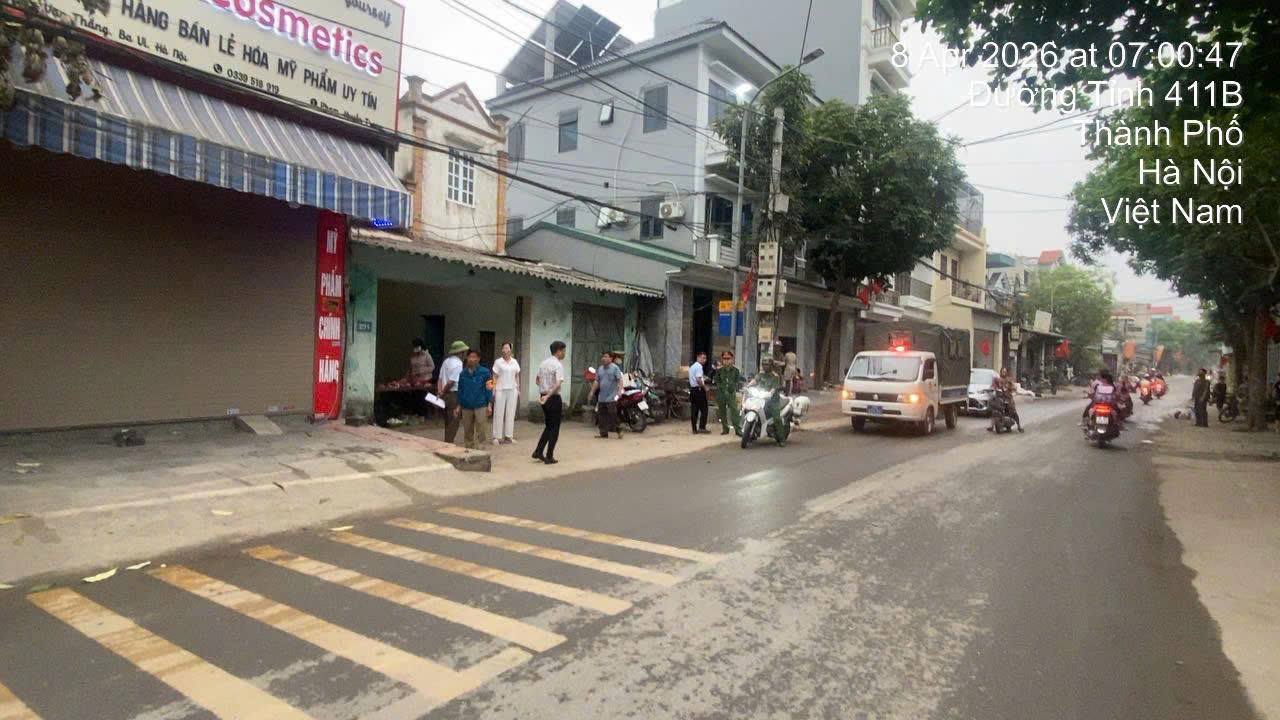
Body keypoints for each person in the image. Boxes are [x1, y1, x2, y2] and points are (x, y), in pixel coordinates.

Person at [532, 341, 567, 465]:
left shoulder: (543, 364)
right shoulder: (557, 365)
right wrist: (548, 395)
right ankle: (549, 456)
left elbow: (537, 380)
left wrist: (544, 392)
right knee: (554, 428)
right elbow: (558, 383)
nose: (564, 353)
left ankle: (538, 451)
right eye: (564, 351)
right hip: (553, 397)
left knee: (549, 426)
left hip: (544, 396)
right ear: (558, 351)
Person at [455, 350, 494, 449]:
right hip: (466, 406)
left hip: (481, 405)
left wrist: (490, 404)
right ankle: (469, 448)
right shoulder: (463, 374)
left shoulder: (486, 372)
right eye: (470, 357)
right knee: (467, 430)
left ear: (478, 359)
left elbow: (489, 389)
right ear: (467, 358)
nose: (472, 359)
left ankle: (481, 449)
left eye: (474, 357)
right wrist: (458, 406)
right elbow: (460, 390)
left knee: (481, 429)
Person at [748, 358, 789, 446]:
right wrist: (748, 386)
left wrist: (771, 393)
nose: (765, 367)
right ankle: (751, 433)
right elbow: (755, 380)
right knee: (749, 408)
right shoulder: (761, 374)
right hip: (761, 398)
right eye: (764, 365)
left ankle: (782, 439)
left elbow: (774, 388)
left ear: (771, 366)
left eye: (767, 365)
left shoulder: (775, 376)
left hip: (773, 400)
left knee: (776, 418)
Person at [438, 340, 468, 443]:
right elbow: (451, 382)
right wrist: (443, 391)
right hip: (453, 394)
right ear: (460, 353)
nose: (465, 354)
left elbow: (440, 378)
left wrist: (440, 391)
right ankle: (448, 442)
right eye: (464, 352)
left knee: (447, 419)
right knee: (454, 421)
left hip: (445, 394)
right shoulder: (458, 364)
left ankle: (447, 440)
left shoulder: (446, 361)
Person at [491, 342, 521, 444]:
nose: (505, 350)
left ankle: (509, 436)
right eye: (503, 348)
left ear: (510, 350)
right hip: (500, 389)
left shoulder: (514, 362)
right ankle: (496, 436)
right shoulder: (498, 362)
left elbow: (517, 376)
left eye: (507, 348)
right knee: (498, 413)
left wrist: (518, 389)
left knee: (510, 413)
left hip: (512, 389)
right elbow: (494, 376)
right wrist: (493, 389)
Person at [592, 350, 623, 439]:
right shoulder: (600, 369)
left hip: (612, 396)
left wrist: (620, 391)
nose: (604, 358)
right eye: (603, 357)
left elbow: (620, 380)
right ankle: (603, 433)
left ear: (611, 358)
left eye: (606, 357)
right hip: (602, 397)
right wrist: (592, 392)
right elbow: (596, 381)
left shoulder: (615, 368)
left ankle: (619, 430)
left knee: (612, 414)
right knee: (601, 415)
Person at [714, 350, 743, 436]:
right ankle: (725, 428)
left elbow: (737, 381)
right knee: (722, 412)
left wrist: (732, 388)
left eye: (728, 358)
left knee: (734, 411)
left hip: (731, 393)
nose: (726, 360)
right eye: (724, 358)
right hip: (721, 393)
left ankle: (738, 429)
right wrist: (721, 388)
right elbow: (717, 381)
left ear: (732, 359)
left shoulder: (736, 371)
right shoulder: (719, 371)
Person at [406, 339, 435, 417]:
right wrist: (408, 377)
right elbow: (411, 367)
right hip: (415, 379)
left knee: (422, 396)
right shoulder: (413, 356)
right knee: (415, 396)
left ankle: (424, 414)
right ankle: (416, 413)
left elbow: (432, 367)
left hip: (425, 379)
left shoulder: (427, 355)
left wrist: (422, 370)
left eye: (417, 346)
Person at [988, 367, 1023, 433]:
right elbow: (992, 386)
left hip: (1008, 398)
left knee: (1013, 412)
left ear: (1006, 372)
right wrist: (992, 389)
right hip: (999, 398)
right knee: (994, 410)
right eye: (1002, 371)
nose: (1003, 373)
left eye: (1005, 372)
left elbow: (1014, 387)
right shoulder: (997, 379)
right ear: (1000, 372)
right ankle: (991, 426)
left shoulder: (1009, 380)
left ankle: (1019, 426)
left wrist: (1010, 388)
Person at [688, 351, 710, 434]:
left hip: (692, 390)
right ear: (698, 357)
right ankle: (702, 427)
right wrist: (705, 387)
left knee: (694, 410)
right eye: (703, 358)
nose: (704, 360)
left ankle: (694, 429)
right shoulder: (699, 367)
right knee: (704, 409)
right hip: (699, 390)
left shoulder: (692, 366)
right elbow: (698, 379)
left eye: (705, 358)